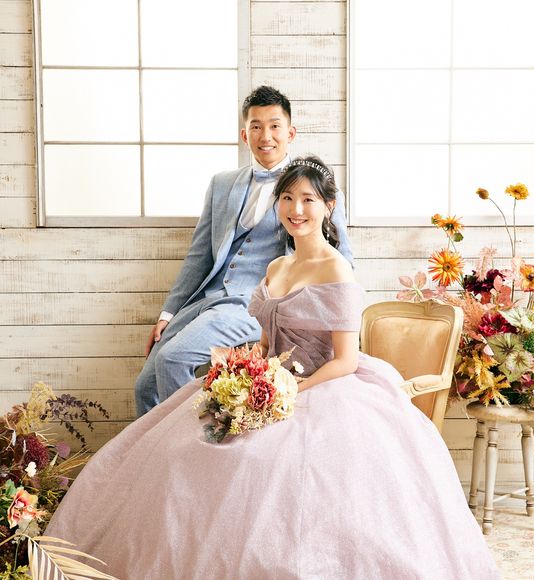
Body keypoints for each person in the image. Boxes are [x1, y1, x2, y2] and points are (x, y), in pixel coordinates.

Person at [46, 157, 500, 579]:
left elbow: (344, 359)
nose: (296, 209)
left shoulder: (336, 270)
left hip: (325, 386)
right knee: (180, 449)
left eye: (308, 199)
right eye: (287, 198)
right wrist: (247, 374)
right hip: (266, 381)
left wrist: (289, 389)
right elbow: (265, 344)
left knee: (265, 466)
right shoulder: (277, 266)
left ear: (329, 206)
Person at [134, 86, 353, 416]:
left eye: (275, 126)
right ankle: (155, 449)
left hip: (252, 305)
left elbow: (342, 259)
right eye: (256, 126)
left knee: (173, 359)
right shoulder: (222, 184)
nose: (266, 136)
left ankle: (193, 442)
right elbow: (199, 255)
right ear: (244, 134)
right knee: (145, 386)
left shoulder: (315, 190)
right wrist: (169, 313)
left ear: (290, 133)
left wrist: (307, 320)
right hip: (207, 299)